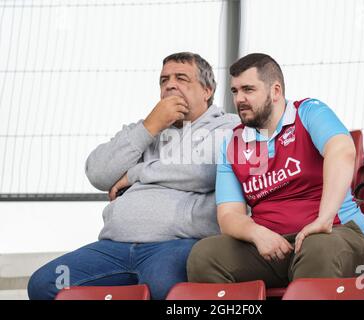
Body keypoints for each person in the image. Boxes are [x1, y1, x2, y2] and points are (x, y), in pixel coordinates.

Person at [27, 52, 240, 300]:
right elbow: (98, 173)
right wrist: (149, 127)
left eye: (181, 78)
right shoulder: (143, 130)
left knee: (165, 288)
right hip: (113, 247)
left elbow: (205, 171)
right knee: (46, 283)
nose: (170, 84)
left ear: (207, 90)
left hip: (177, 244)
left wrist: (134, 174)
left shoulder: (227, 127)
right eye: (164, 80)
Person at [187, 53, 364, 288]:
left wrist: (323, 219)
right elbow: (228, 216)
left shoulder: (308, 112)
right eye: (235, 91)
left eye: (248, 89)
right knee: (204, 255)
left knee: (318, 247)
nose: (240, 99)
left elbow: (342, 151)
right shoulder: (232, 143)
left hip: (334, 233)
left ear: (275, 91)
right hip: (273, 247)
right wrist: (257, 234)